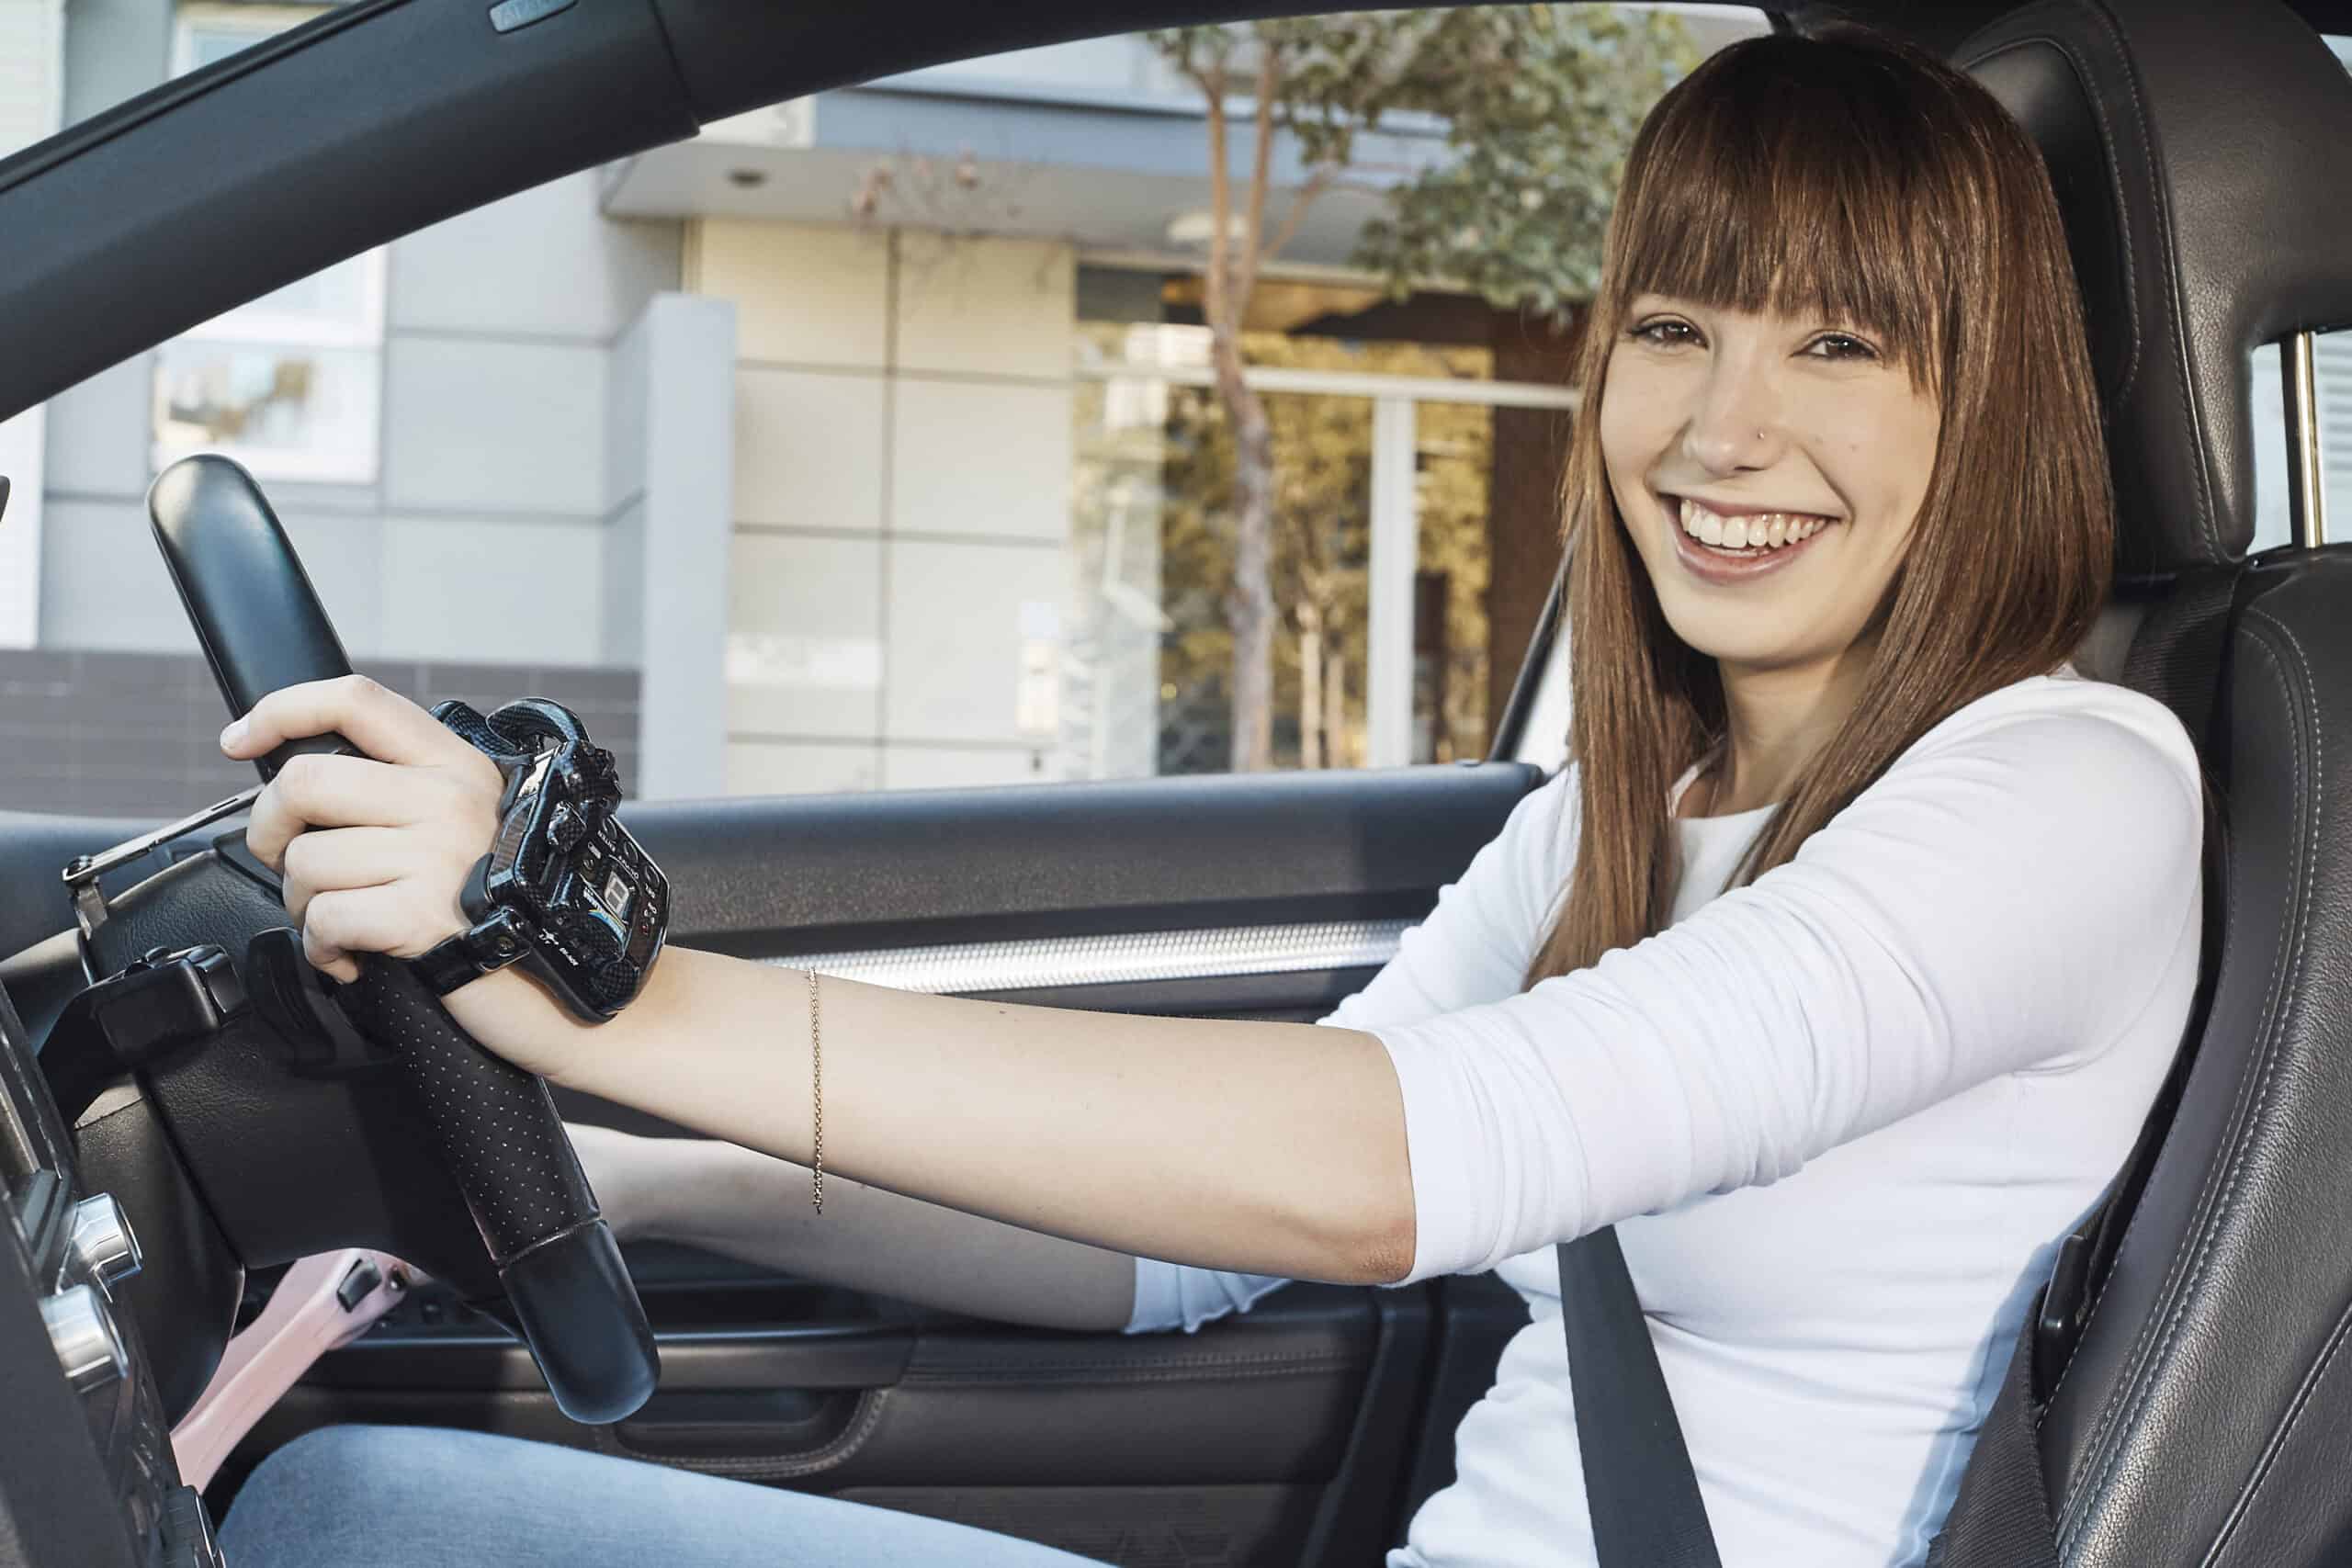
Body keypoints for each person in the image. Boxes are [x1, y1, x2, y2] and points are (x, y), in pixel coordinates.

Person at [212, 25, 2203, 1568]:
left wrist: (615, 978)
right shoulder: (1643, 798)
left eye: (1837, 344)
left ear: (1986, 403)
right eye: (1671, 327)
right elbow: (1184, 1250)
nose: (1716, 428)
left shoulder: (2061, 792)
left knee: (341, 1526)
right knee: (359, 1501)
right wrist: (628, 1173)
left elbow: (1369, 1166)